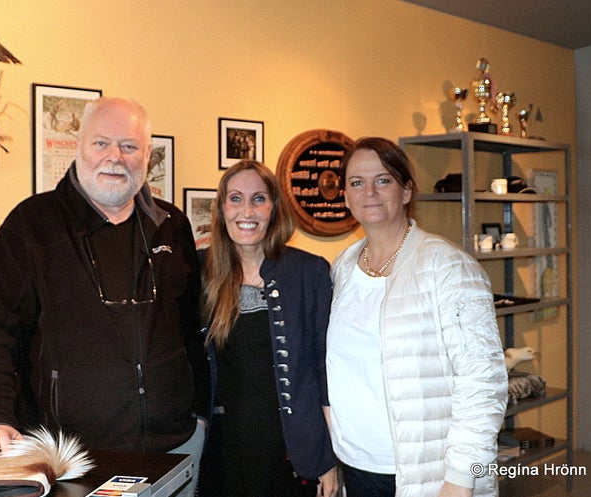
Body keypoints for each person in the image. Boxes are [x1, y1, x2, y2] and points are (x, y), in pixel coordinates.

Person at [0, 97, 209, 494]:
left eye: (129, 146)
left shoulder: (172, 226)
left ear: (147, 155)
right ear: (78, 148)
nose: (115, 157)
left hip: (174, 447)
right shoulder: (31, 225)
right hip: (70, 459)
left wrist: (197, 413)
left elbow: (189, 329)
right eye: (101, 143)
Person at [325, 137, 508, 497]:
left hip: (427, 472)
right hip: (356, 464)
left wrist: (460, 478)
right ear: (345, 196)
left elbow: (483, 380)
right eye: (357, 182)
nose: (370, 192)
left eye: (383, 180)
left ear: (406, 191)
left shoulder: (448, 266)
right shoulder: (343, 267)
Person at [199, 160, 338, 497]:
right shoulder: (198, 271)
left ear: (274, 208)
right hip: (222, 448)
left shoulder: (309, 272)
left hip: (293, 447)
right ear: (221, 208)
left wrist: (330, 458)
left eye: (258, 199)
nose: (246, 210)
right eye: (235, 198)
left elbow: (325, 371)